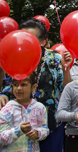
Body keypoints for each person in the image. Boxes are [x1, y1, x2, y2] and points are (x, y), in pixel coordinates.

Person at [0, 19, 72, 152]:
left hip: (49, 122)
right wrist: (3, 95)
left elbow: (66, 87)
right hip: (18, 125)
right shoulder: (14, 56)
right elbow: (8, 85)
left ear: (43, 42)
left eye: (30, 38)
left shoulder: (55, 58)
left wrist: (66, 67)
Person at [0, 72, 49, 151]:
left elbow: (45, 130)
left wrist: (37, 133)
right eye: (16, 85)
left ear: (33, 87)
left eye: (23, 85)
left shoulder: (40, 108)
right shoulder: (6, 110)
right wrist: (19, 130)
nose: (19, 88)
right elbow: (1, 138)